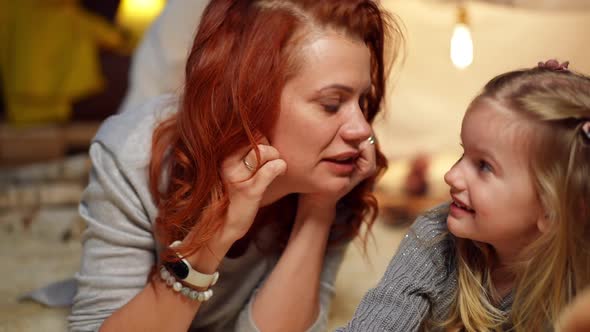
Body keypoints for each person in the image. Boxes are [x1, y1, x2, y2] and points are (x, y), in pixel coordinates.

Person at [68, 0, 404, 331]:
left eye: (361, 100)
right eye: (332, 104)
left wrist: (319, 209)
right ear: (249, 99)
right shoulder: (130, 155)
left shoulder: (343, 167)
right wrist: (215, 235)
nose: (362, 129)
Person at [337, 59, 590, 332]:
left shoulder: (578, 287)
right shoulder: (435, 234)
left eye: (484, 166)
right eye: (463, 153)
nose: (451, 176)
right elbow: (378, 320)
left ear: (551, 210)